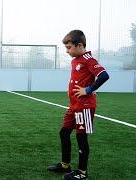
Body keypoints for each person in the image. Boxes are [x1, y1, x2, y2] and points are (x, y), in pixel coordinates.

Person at [47, 30, 109, 180]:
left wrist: (88, 89)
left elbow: (104, 75)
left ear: (80, 45)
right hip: (74, 105)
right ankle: (65, 165)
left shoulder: (88, 59)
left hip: (85, 106)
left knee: (81, 138)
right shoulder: (75, 60)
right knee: (64, 133)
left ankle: (82, 173)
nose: (67, 51)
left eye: (69, 47)